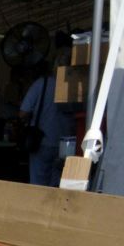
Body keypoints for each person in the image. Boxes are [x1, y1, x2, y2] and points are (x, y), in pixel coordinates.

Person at [18, 58, 73, 187]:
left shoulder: (41, 84)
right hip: (66, 143)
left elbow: (23, 113)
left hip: (42, 140)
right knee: (57, 184)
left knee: (38, 183)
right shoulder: (73, 86)